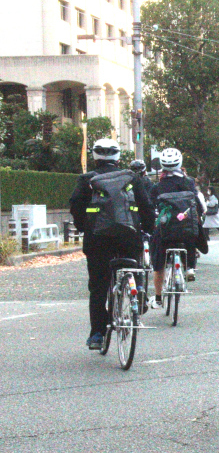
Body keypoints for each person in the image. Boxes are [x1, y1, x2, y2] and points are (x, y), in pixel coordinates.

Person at [69, 139, 155, 350]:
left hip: (97, 239)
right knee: (134, 266)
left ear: (95, 157)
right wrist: (148, 230)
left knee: (98, 285)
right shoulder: (131, 178)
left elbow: (76, 206)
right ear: (118, 158)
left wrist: (83, 227)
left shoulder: (87, 179)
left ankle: (97, 334)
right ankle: (138, 291)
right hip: (128, 235)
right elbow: (146, 206)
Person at [149, 148, 205, 308]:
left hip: (164, 230)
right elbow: (198, 206)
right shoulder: (188, 183)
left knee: (158, 262)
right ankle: (190, 267)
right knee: (192, 231)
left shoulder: (157, 186)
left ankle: (158, 298)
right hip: (185, 229)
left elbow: (149, 207)